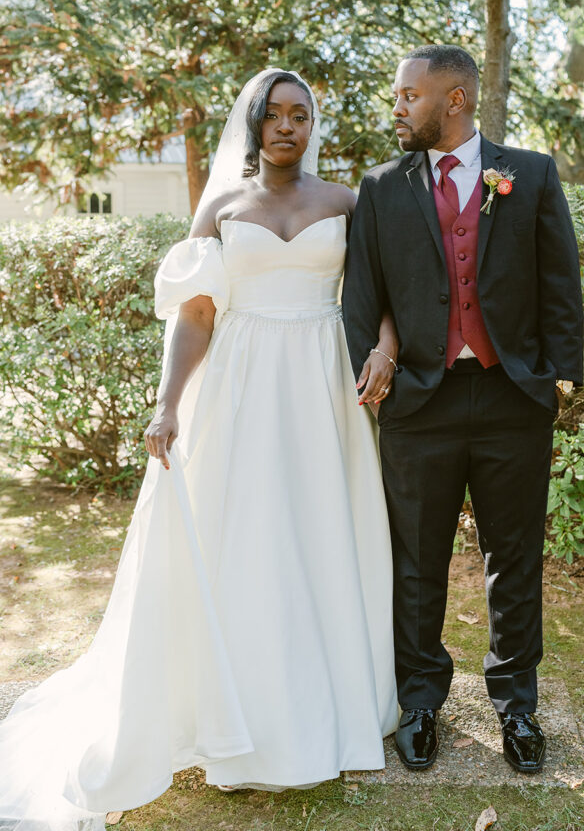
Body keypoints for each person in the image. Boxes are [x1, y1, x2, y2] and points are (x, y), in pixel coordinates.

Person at [0, 69, 398, 831]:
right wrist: (167, 403)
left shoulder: (347, 201)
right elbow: (195, 314)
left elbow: (383, 294)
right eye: (273, 116)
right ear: (251, 127)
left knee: (319, 534)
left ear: (315, 124)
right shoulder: (221, 205)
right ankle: (238, 720)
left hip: (321, 387)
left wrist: (381, 348)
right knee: (243, 542)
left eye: (300, 115)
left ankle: (333, 706)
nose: (287, 126)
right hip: (240, 386)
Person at [342, 45, 583, 774]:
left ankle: (516, 704)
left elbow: (558, 280)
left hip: (513, 398)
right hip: (420, 402)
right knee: (417, 560)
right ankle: (420, 701)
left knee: (513, 558)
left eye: (408, 95)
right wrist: (378, 373)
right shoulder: (380, 187)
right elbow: (362, 299)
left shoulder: (529, 174)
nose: (397, 107)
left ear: (454, 100)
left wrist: (556, 380)